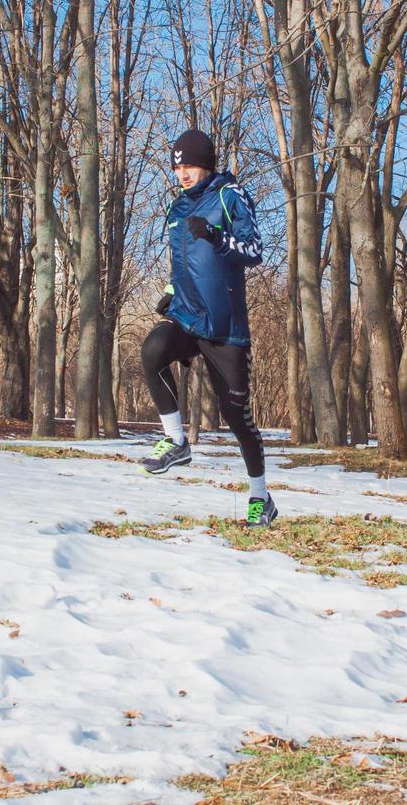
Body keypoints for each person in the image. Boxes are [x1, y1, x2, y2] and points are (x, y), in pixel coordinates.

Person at [139, 128, 277, 528]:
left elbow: (254, 252)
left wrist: (218, 236)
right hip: (187, 314)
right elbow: (181, 261)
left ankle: (259, 497)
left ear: (207, 164)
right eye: (177, 166)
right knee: (152, 351)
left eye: (189, 165)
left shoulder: (230, 197)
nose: (182, 174)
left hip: (223, 325)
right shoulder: (176, 209)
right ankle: (177, 442)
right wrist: (169, 289)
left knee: (237, 418)